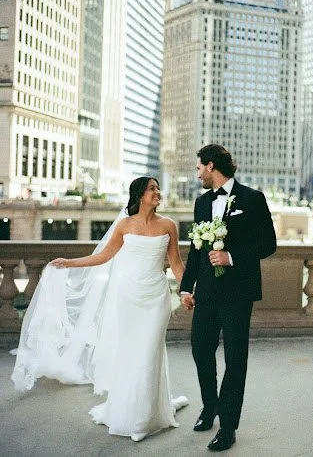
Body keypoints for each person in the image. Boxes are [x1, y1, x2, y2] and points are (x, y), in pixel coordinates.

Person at [11, 177, 188, 442]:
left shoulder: (168, 225)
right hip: (128, 297)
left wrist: (186, 291)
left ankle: (145, 418)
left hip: (156, 298)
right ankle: (131, 413)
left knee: (150, 353)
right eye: (152, 188)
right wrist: (69, 263)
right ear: (140, 195)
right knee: (132, 355)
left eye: (158, 188)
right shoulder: (124, 225)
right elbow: (103, 256)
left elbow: (175, 263)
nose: (158, 192)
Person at [180, 144, 276, 452]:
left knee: (236, 360)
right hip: (206, 291)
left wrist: (231, 257)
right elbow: (196, 250)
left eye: (198, 169)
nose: (197, 175)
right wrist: (186, 286)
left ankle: (228, 427)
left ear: (210, 167)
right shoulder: (200, 203)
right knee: (200, 349)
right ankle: (210, 408)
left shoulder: (252, 199)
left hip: (238, 293)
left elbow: (268, 244)